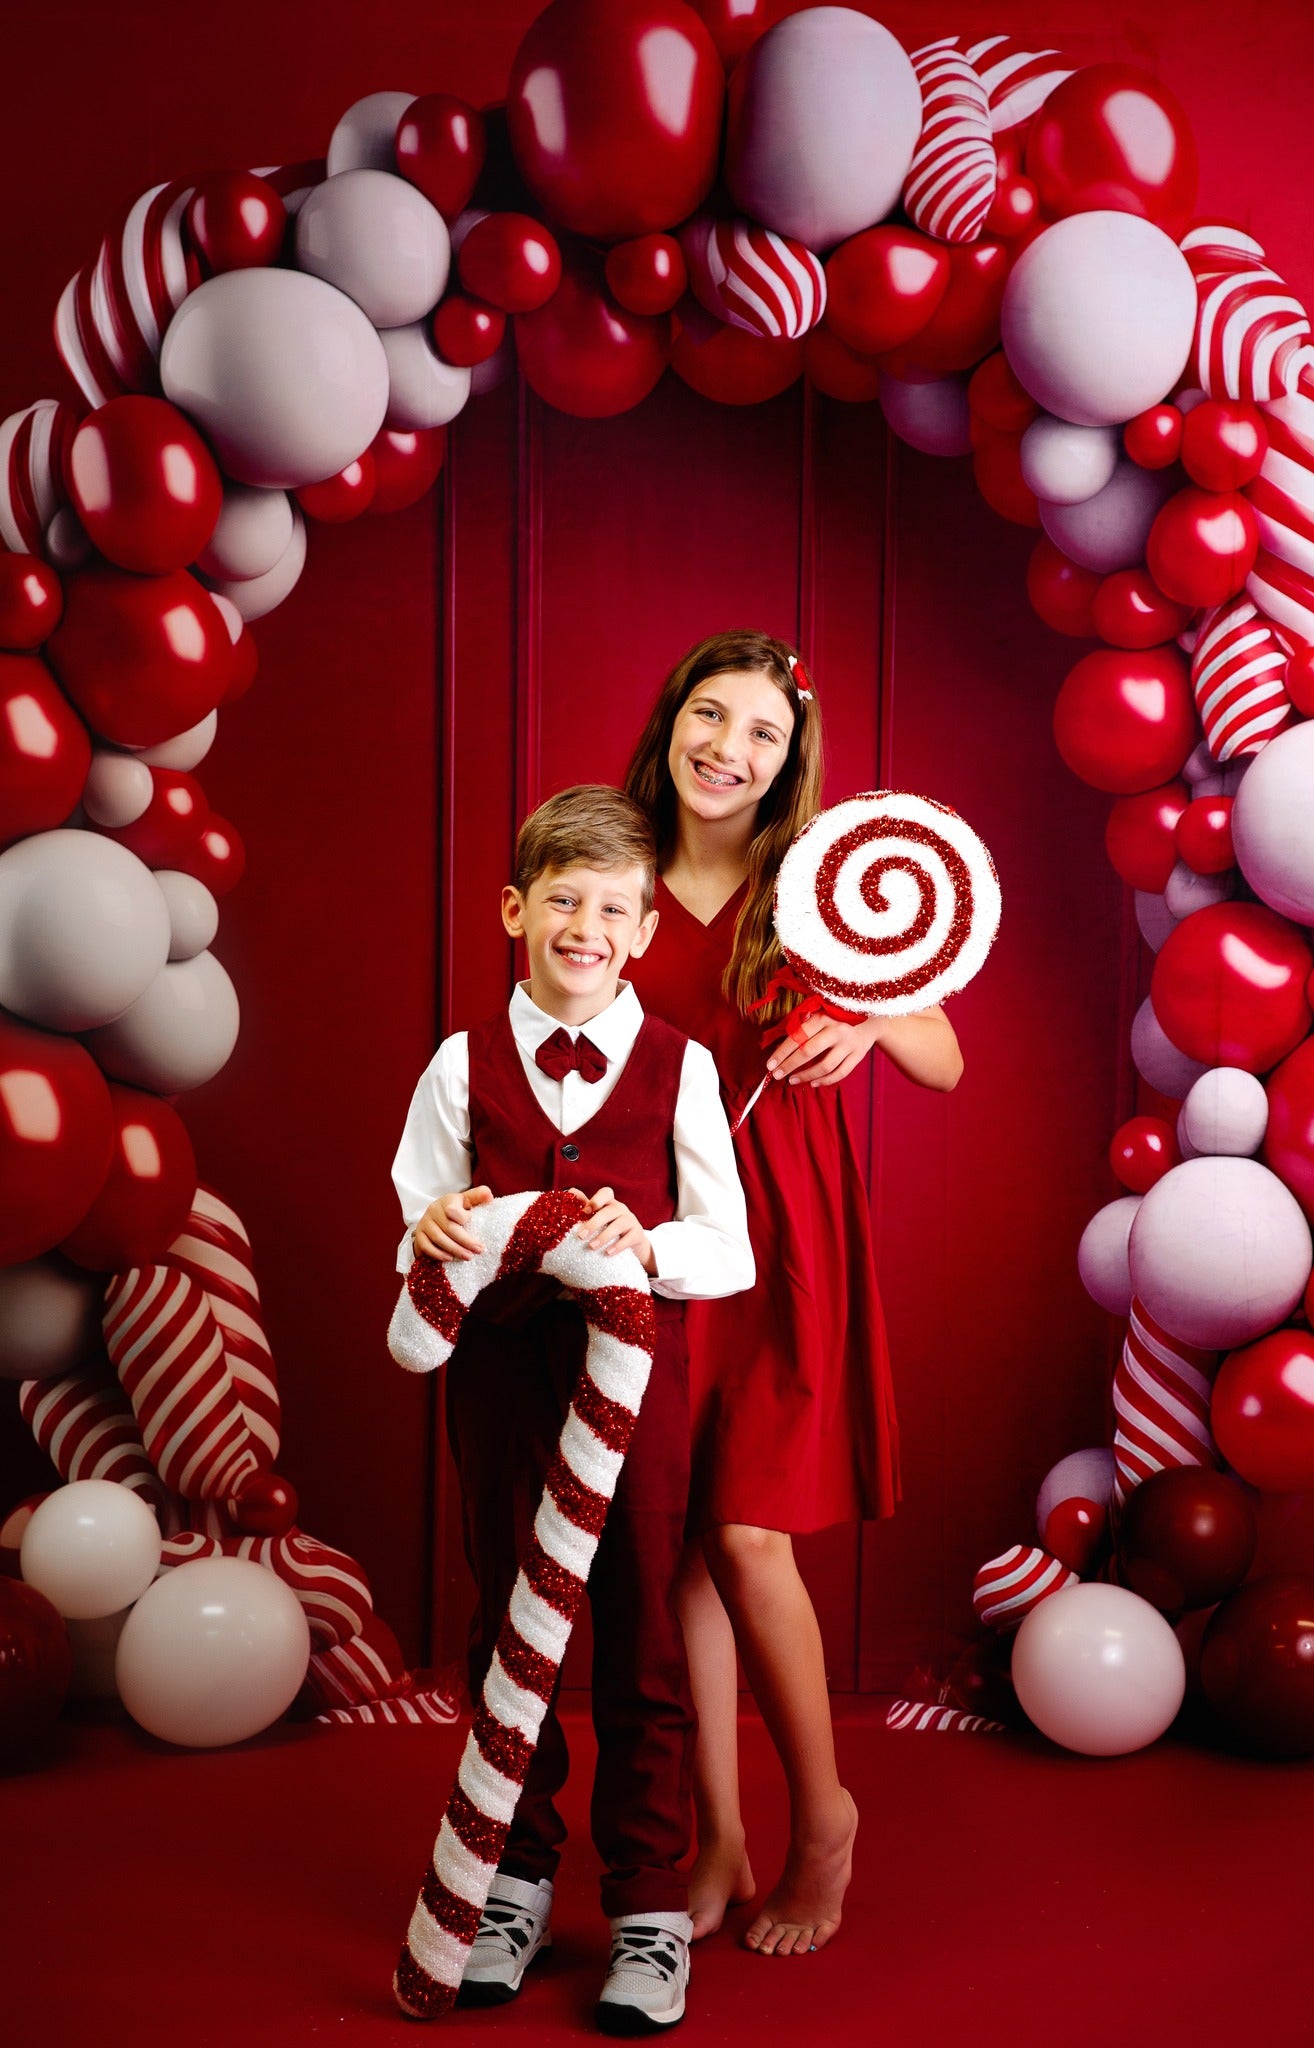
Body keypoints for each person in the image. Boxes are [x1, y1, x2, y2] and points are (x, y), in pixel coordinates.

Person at [391, 783, 754, 2036]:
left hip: (631, 1391)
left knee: (641, 1635)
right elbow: (421, 1216)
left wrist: (643, 1241)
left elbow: (728, 1247)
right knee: (511, 1631)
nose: (585, 926)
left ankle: (648, 1903)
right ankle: (514, 1878)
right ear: (515, 910)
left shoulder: (681, 1067)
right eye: (562, 900)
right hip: (499, 1387)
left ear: (644, 930)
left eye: (612, 907)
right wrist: (431, 1226)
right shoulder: (459, 1064)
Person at [623, 631, 964, 1960]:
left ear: (785, 763)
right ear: (670, 725)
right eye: (709, 716)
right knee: (685, 1552)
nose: (728, 748)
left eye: (758, 734)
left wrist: (871, 1024)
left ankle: (822, 1817)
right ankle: (718, 1836)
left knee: (751, 1537)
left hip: (784, 1239)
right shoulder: (617, 870)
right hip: (656, 1235)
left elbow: (940, 1057)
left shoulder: (815, 888)